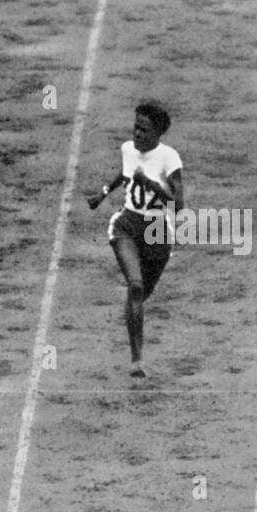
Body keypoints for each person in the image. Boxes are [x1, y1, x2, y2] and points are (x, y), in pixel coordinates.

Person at [87, 100, 184, 377]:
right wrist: (103, 193)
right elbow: (125, 173)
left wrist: (151, 184)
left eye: (144, 130)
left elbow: (180, 204)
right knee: (136, 287)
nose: (137, 134)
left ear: (158, 134)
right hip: (126, 226)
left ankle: (134, 327)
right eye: (136, 127)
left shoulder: (169, 159)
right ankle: (136, 359)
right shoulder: (128, 149)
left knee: (140, 296)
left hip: (157, 233)